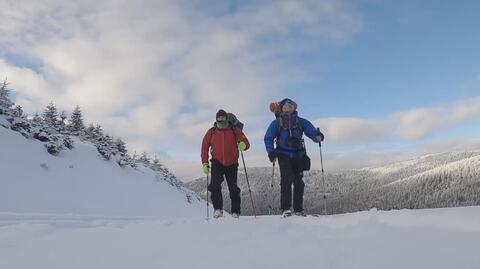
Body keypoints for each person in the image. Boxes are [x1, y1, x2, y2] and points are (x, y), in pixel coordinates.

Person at [264, 98, 324, 217]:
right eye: (286, 105)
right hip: (283, 154)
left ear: (294, 108)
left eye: (291, 105)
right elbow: (268, 138)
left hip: (298, 155)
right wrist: (271, 152)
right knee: (286, 180)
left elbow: (311, 132)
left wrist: (317, 136)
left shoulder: (300, 121)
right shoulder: (277, 123)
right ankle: (286, 208)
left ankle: (298, 209)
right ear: (282, 108)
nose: (289, 107)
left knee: (298, 182)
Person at [201, 109, 250, 218]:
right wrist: (205, 163)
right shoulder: (212, 131)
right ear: (216, 119)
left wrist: (243, 144)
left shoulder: (235, 130)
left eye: (223, 117)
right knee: (214, 185)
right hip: (216, 162)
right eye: (219, 117)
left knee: (233, 188)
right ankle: (218, 209)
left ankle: (235, 211)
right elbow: (204, 147)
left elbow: (246, 142)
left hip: (232, 163)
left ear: (227, 118)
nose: (221, 119)